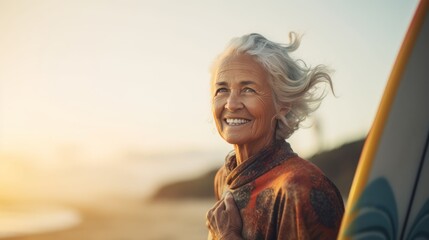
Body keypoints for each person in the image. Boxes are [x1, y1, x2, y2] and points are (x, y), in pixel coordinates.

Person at [205, 33, 344, 240]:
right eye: (222, 90)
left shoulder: (301, 188)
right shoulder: (224, 178)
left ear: (282, 105)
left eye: (248, 89)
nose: (231, 104)